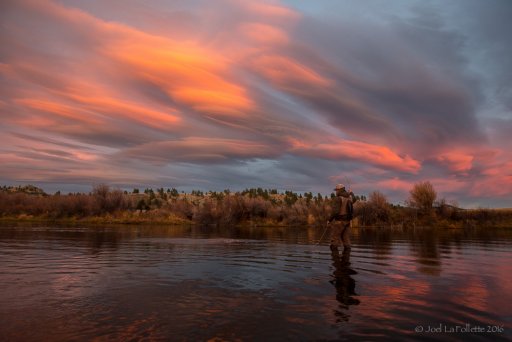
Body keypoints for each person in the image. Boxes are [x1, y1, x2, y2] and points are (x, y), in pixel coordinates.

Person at [327, 184, 357, 251]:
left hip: (339, 222)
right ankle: (346, 259)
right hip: (347, 222)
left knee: (334, 239)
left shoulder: (337, 198)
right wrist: (351, 193)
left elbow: (335, 211)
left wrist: (329, 220)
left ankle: (335, 259)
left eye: (336, 190)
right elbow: (354, 199)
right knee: (346, 240)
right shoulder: (349, 198)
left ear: (339, 190)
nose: (336, 191)